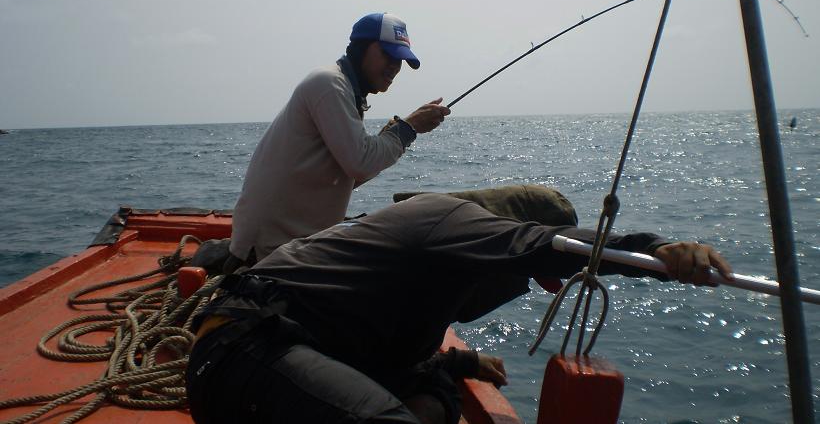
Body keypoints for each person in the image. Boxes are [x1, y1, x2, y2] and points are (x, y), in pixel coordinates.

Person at [187, 187, 734, 424]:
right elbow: (556, 250)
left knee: (437, 398)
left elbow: (381, 340)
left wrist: (458, 363)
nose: (542, 284)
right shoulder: (450, 218)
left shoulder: (441, 257)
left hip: (273, 354)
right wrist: (654, 249)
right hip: (240, 348)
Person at [228, 12, 451, 266]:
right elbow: (360, 162)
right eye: (388, 55)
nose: (394, 66)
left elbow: (348, 176)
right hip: (270, 249)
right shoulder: (329, 83)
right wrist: (407, 129)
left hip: (294, 242)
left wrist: (392, 135)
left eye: (400, 60)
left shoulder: (345, 91)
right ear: (361, 47)